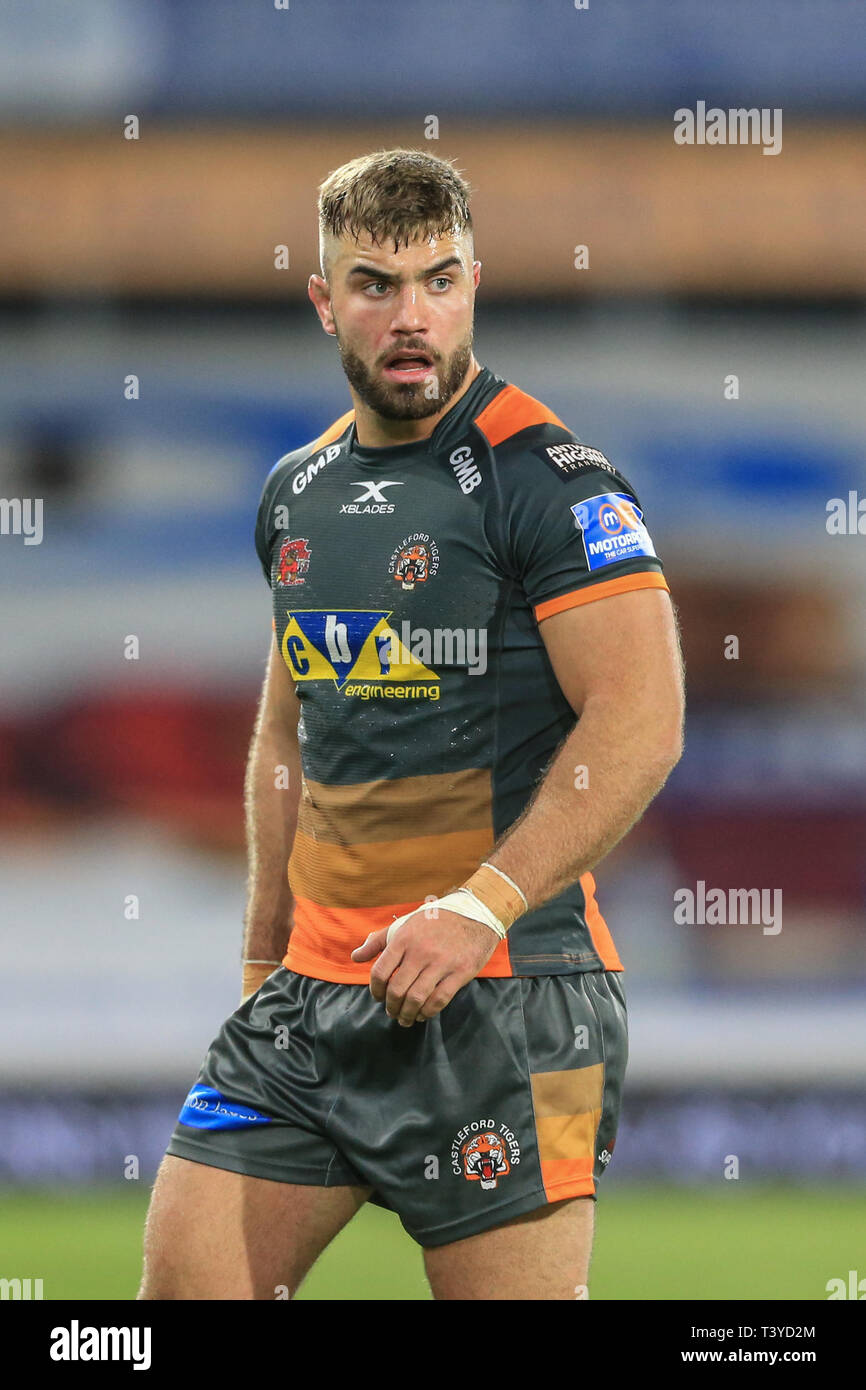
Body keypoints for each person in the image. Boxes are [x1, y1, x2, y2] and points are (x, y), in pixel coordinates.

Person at [138, 148, 684, 1301]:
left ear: (475, 282)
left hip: (509, 998)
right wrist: (259, 955)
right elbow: (286, 739)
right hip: (308, 1003)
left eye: (437, 280)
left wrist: (476, 909)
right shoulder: (294, 491)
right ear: (322, 299)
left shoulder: (554, 479)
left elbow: (640, 721)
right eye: (374, 285)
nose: (410, 315)